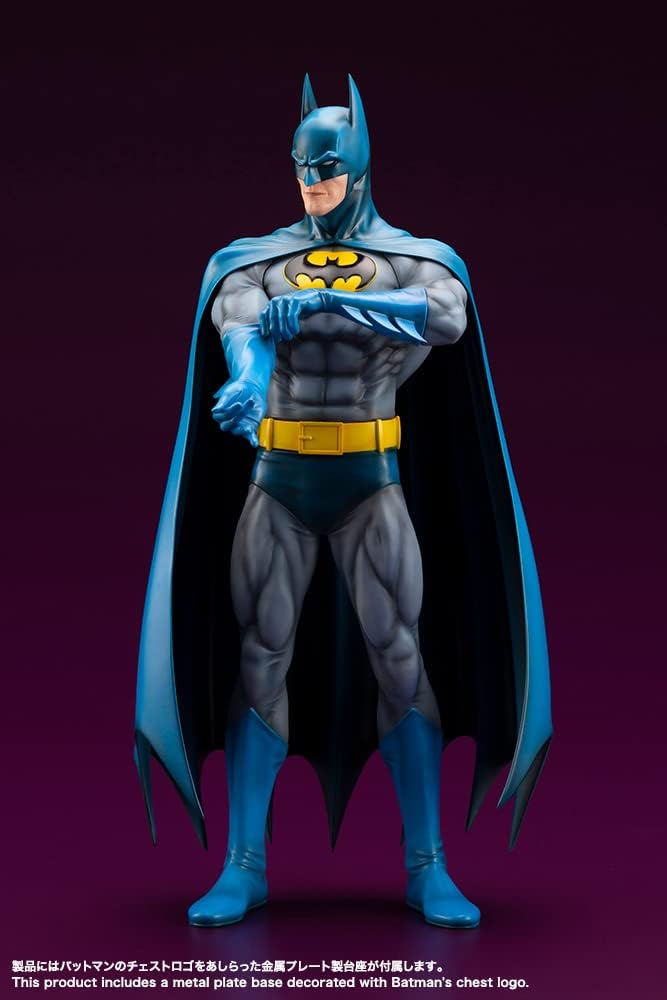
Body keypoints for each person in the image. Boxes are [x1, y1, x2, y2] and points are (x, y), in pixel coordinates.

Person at [134, 75, 552, 930]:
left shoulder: (417, 258)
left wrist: (334, 301)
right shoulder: (254, 259)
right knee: (261, 656)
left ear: (357, 168)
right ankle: (244, 865)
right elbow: (241, 328)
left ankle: (427, 865)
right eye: (300, 168)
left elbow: (445, 319)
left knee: (399, 656)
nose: (310, 183)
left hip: (371, 483)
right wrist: (246, 382)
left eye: (325, 169)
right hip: (278, 481)